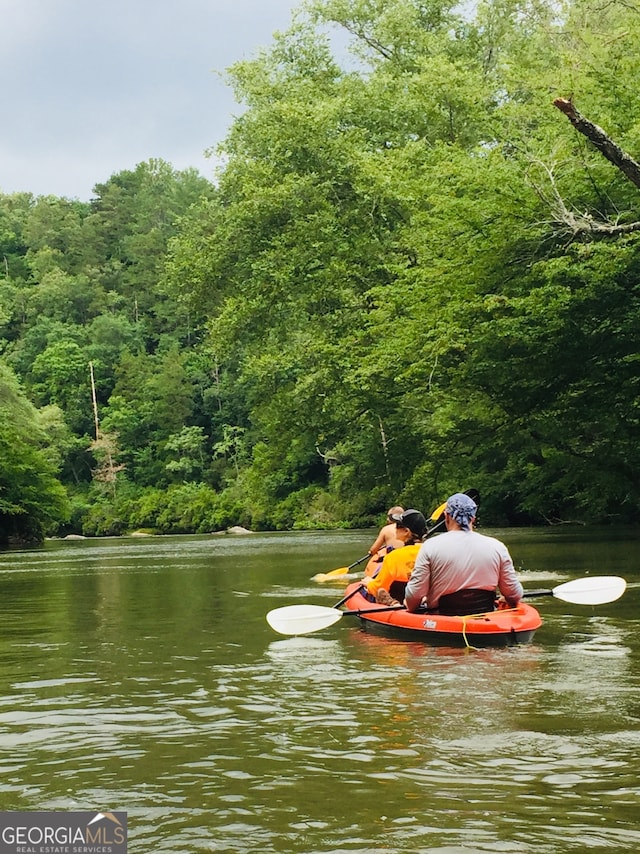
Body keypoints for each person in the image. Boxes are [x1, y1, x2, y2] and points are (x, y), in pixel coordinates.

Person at [404, 492, 523, 615]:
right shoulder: (498, 547)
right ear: (473, 519)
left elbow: (413, 600)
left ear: (447, 517)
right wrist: (506, 598)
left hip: (443, 621)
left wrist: (412, 602)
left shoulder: (430, 546)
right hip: (485, 618)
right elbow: (514, 595)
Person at [364, 509, 428, 606]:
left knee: (368, 590)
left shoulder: (393, 556)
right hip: (426, 602)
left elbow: (378, 588)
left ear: (406, 531)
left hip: (399, 603)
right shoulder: (433, 552)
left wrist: (369, 583)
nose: (395, 528)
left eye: (397, 526)